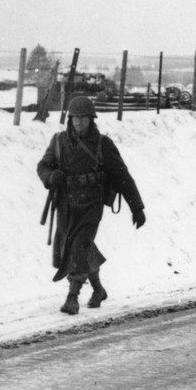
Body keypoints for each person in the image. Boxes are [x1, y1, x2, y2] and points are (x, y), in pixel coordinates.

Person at [37, 95, 146, 315]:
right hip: (66, 205)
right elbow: (43, 166)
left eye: (83, 118)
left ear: (91, 119)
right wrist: (51, 176)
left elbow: (122, 176)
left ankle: (72, 297)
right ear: (70, 119)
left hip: (91, 205)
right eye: (75, 118)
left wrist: (137, 207)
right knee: (74, 246)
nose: (78, 122)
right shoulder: (58, 141)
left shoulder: (103, 144)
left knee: (79, 246)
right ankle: (98, 289)